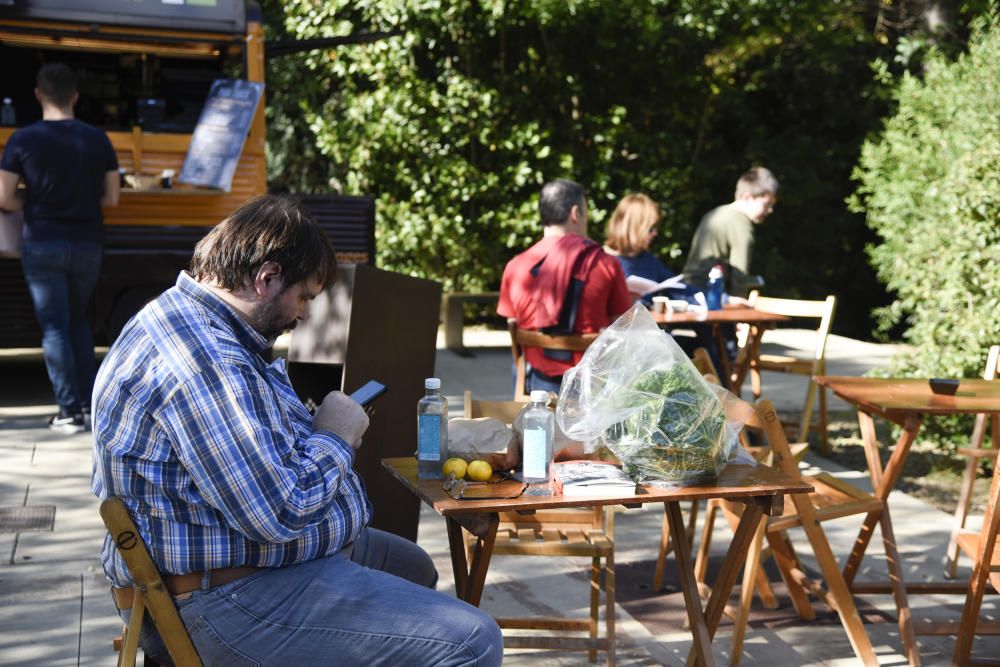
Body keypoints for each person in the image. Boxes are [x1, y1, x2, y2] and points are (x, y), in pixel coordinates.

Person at [91, 195, 502, 666]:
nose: (304, 313)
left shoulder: (189, 320)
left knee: (411, 565)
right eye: (304, 296)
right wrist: (335, 436)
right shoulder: (203, 357)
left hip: (234, 567)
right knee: (472, 641)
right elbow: (278, 513)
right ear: (266, 278)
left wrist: (310, 428)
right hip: (221, 598)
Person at [0, 63, 119, 434]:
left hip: (42, 242)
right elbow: (112, 198)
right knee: (79, 320)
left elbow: (4, 197)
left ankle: (68, 411)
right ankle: (88, 402)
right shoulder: (98, 139)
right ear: (76, 96)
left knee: (54, 327)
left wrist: (32, 206)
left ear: (38, 95)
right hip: (86, 242)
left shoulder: (22, 140)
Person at [497, 178, 631, 394]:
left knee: (520, 360)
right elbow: (623, 325)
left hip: (535, 387)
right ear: (576, 213)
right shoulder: (606, 264)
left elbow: (512, 321)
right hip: (592, 389)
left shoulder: (515, 266)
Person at [682, 166, 779, 298]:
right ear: (747, 197)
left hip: (687, 288)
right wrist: (739, 308)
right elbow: (740, 276)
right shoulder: (741, 225)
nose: (770, 210)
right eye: (766, 204)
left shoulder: (716, 213)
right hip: (710, 294)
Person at [603, 192, 682, 302]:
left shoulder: (648, 260)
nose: (655, 233)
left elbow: (680, 290)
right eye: (651, 228)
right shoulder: (601, 261)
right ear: (634, 228)